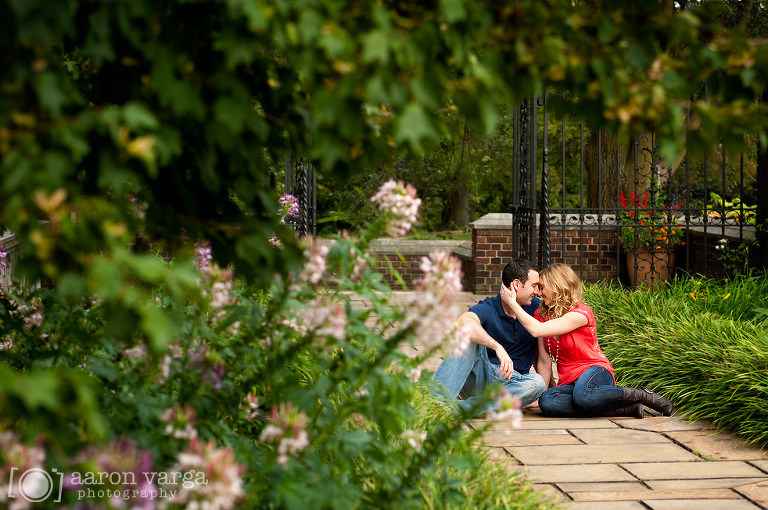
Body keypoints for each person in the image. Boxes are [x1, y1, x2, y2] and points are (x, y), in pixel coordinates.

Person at [499, 262, 674, 418]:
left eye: (542, 287)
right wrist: (541, 393)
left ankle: (641, 395)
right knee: (547, 402)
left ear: (557, 287)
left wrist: (512, 302)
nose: (538, 292)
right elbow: (544, 361)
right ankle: (626, 410)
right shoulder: (541, 314)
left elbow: (536, 330)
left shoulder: (580, 314)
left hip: (595, 372)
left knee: (583, 395)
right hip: (570, 382)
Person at [434, 258, 547, 414]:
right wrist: (497, 347)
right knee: (467, 338)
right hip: (481, 377)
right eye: (534, 286)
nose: (537, 292)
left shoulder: (535, 309)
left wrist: (548, 392)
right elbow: (463, 322)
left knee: (537, 383)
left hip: (512, 385)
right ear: (516, 285)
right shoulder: (489, 307)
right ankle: (435, 402)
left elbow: (541, 357)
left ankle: (460, 409)